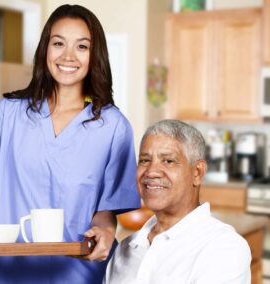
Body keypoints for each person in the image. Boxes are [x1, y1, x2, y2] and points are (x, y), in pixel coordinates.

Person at [0, 4, 140, 284]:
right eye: (58, 43)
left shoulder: (113, 126)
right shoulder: (8, 113)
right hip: (15, 273)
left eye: (82, 46)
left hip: (81, 274)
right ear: (45, 49)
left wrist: (106, 232)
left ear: (94, 55)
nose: (68, 56)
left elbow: (105, 211)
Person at [105, 119, 251, 284]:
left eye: (168, 161)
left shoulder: (224, 247)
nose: (151, 172)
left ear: (197, 173)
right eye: (145, 160)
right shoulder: (124, 249)